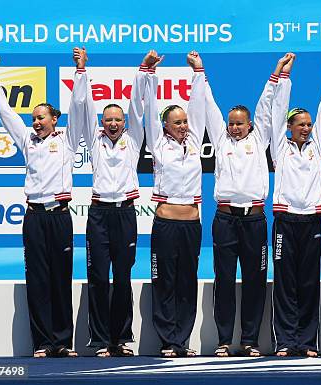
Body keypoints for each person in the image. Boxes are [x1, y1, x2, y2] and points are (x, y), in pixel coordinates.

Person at [0, 55, 80, 358]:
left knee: (60, 278)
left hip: (61, 217)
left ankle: (64, 342)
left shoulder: (68, 140)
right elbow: (5, 114)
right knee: (38, 280)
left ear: (55, 119)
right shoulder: (27, 140)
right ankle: (42, 343)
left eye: (42, 117)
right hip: (35, 218)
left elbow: (79, 107)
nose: (36, 122)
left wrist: (80, 71)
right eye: (34, 118)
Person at [202, 55, 285, 357]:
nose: (235, 128)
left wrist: (275, 74)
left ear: (250, 124)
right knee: (224, 280)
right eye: (231, 123)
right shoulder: (221, 141)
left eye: (240, 123)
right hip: (224, 221)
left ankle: (250, 340)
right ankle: (224, 340)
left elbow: (265, 106)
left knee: (254, 280)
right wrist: (200, 72)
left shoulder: (259, 137)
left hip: (255, 221)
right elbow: (209, 106)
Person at [69, 47, 147, 357]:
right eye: (108, 119)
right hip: (99, 214)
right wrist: (81, 70)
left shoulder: (135, 140)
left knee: (124, 278)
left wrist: (143, 72)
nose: (113, 123)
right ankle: (100, 340)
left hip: (126, 214)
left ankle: (122, 339)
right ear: (102, 122)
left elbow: (138, 108)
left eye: (118, 119)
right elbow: (81, 106)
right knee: (98, 278)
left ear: (125, 123)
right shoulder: (94, 139)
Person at [270, 53, 321, 357]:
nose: (307, 128)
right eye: (301, 125)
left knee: (309, 284)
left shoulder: (317, 147)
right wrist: (284, 76)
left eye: (309, 125)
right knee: (285, 285)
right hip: (285, 221)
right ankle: (285, 340)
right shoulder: (279, 148)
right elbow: (277, 109)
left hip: (311, 222)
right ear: (289, 127)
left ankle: (308, 341)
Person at [142, 51, 205, 357]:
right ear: (165, 126)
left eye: (184, 121)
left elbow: (199, 106)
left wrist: (198, 72)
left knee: (186, 283)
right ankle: (168, 340)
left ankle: (183, 339)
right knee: (164, 282)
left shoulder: (194, 143)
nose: (182, 125)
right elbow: (149, 111)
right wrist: (150, 73)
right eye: (176, 122)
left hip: (192, 224)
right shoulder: (157, 143)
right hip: (166, 224)